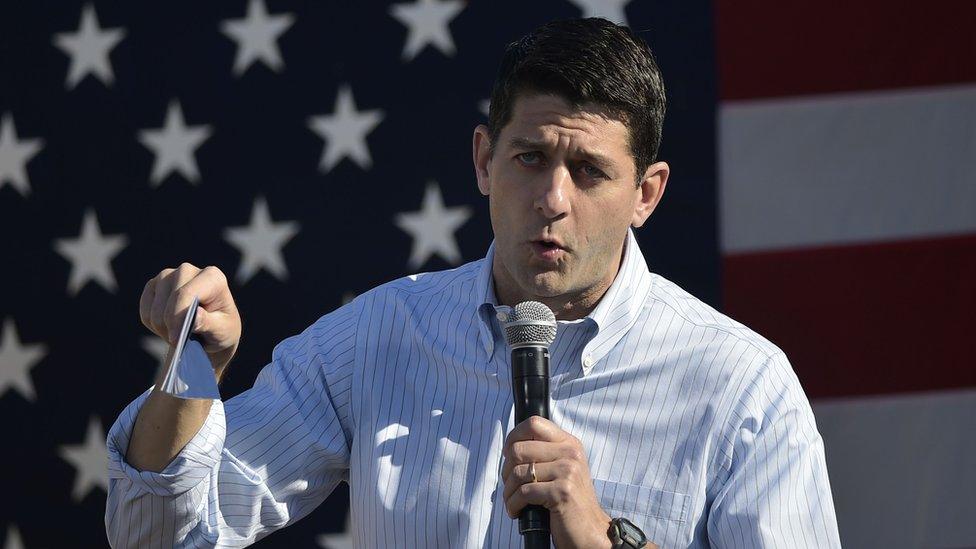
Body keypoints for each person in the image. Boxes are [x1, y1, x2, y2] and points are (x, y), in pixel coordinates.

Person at [106, 17, 841, 549]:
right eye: (529, 158)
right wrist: (193, 368)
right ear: (484, 160)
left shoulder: (741, 385)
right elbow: (158, 539)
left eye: (589, 171)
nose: (553, 198)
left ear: (646, 194)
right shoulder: (379, 337)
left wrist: (601, 534)